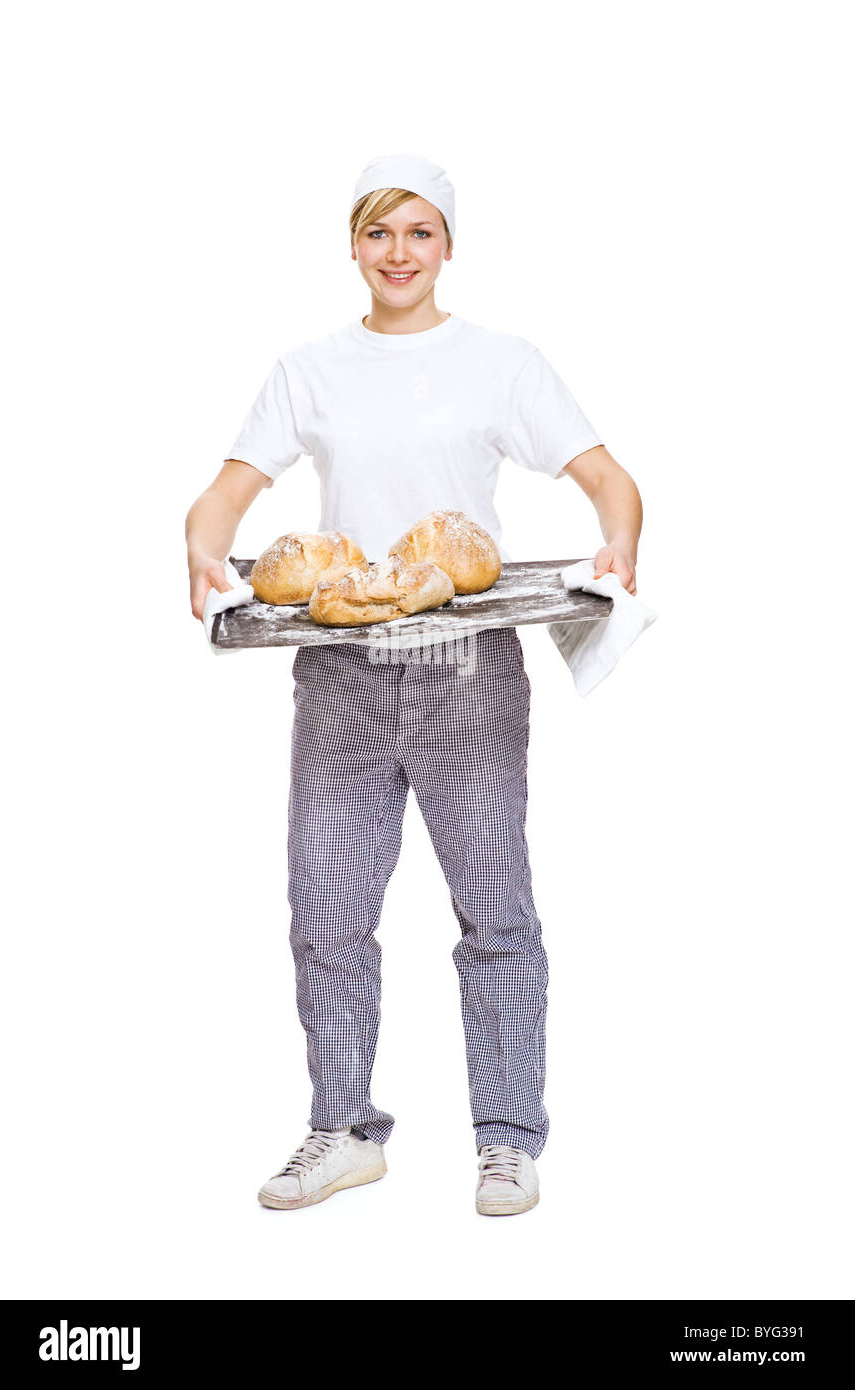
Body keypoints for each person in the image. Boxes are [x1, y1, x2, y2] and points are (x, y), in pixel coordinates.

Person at [185, 153, 643, 1217]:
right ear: (352, 245)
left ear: (448, 246)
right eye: (379, 233)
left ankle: (506, 1138)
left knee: (493, 909)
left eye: (420, 233)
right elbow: (224, 496)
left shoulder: (502, 363)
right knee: (322, 913)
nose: (399, 254)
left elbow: (609, 480)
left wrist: (616, 546)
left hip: (469, 673)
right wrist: (203, 555)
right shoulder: (307, 368)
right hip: (340, 674)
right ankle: (342, 1130)